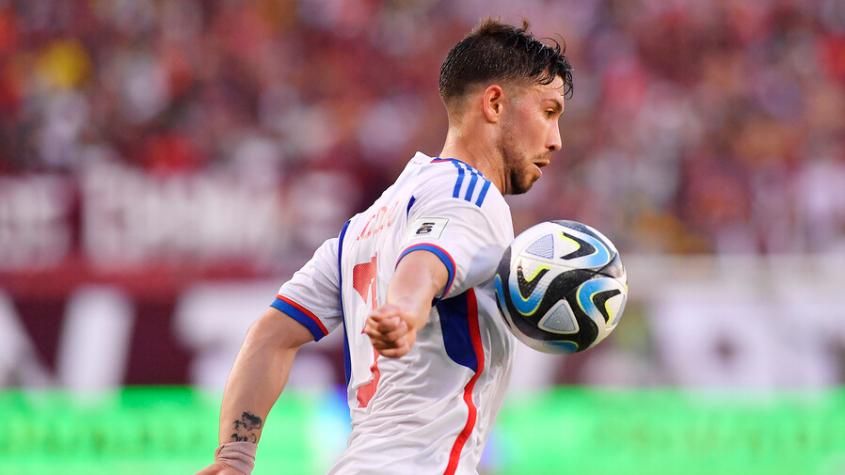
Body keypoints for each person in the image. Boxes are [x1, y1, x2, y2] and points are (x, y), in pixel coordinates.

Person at [197, 18, 573, 475]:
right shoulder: (472, 198)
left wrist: (234, 458)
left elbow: (271, 336)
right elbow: (428, 263)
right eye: (549, 112)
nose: (555, 140)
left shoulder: (363, 226)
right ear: (494, 103)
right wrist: (404, 311)